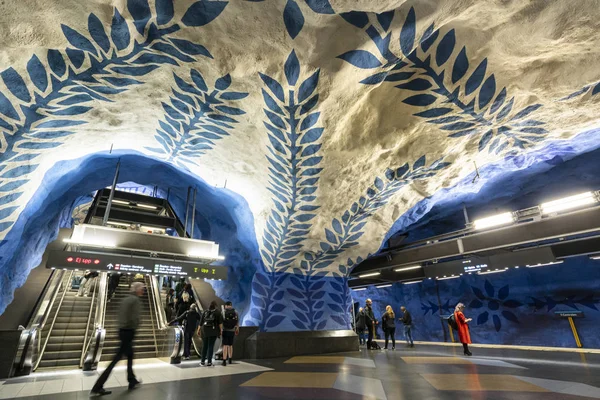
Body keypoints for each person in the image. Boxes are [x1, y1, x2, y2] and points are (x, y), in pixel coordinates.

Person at [90, 282, 144, 396]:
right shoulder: (135, 300)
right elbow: (134, 318)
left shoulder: (126, 299)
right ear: (137, 290)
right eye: (142, 289)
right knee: (116, 359)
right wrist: (135, 326)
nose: (143, 291)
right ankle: (97, 386)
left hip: (122, 330)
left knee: (130, 355)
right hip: (128, 331)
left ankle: (131, 379)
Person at [198, 300, 223, 367]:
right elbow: (220, 323)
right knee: (210, 346)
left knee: (205, 346)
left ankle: (202, 361)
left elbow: (201, 322)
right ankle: (209, 362)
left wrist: (198, 330)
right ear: (215, 306)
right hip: (213, 331)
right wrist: (221, 330)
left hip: (204, 331)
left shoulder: (205, 312)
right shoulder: (217, 312)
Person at [221, 301, 239, 366]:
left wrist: (221, 330)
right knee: (230, 345)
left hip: (225, 330)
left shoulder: (223, 312)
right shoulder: (235, 312)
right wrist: (237, 329)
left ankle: (224, 361)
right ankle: (230, 359)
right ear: (231, 305)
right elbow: (237, 321)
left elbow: (221, 322)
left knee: (225, 345)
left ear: (226, 305)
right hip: (232, 330)